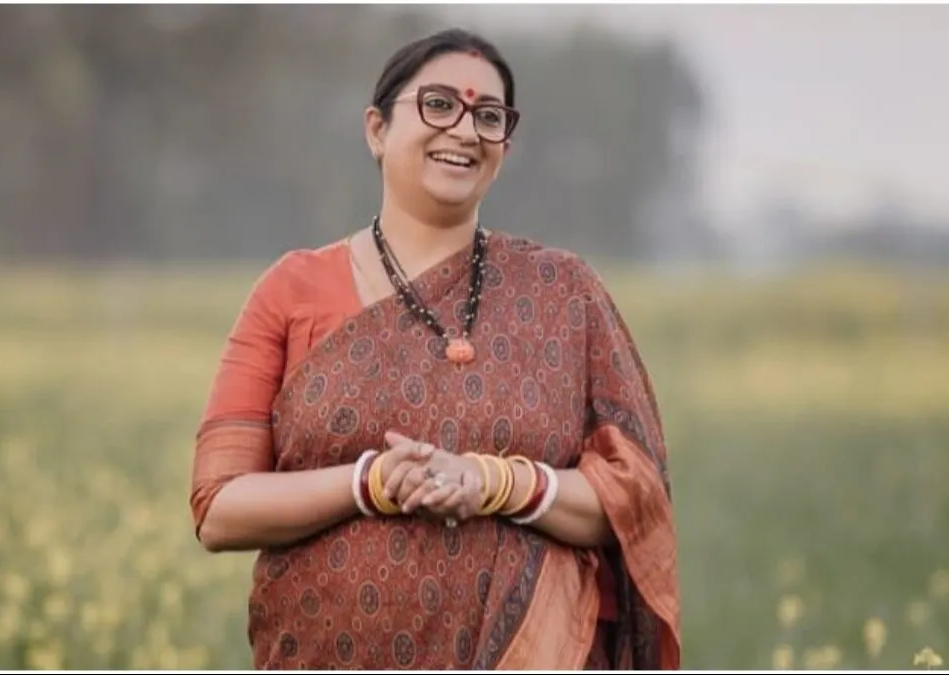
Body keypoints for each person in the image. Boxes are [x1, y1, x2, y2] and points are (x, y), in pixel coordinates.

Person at [189, 27, 680, 670]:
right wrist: (369, 484)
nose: (465, 130)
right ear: (376, 129)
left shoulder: (563, 292)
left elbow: (632, 502)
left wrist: (496, 482)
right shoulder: (292, 289)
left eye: (488, 115)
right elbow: (219, 507)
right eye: (439, 105)